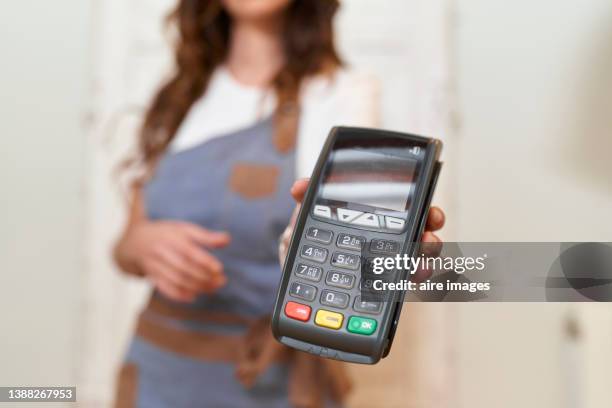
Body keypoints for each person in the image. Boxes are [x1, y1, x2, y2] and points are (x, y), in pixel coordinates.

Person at [112, 0, 445, 407]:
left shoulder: (342, 94)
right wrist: (143, 245)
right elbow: (125, 246)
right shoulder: (179, 96)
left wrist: (368, 266)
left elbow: (328, 245)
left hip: (275, 382)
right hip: (157, 372)